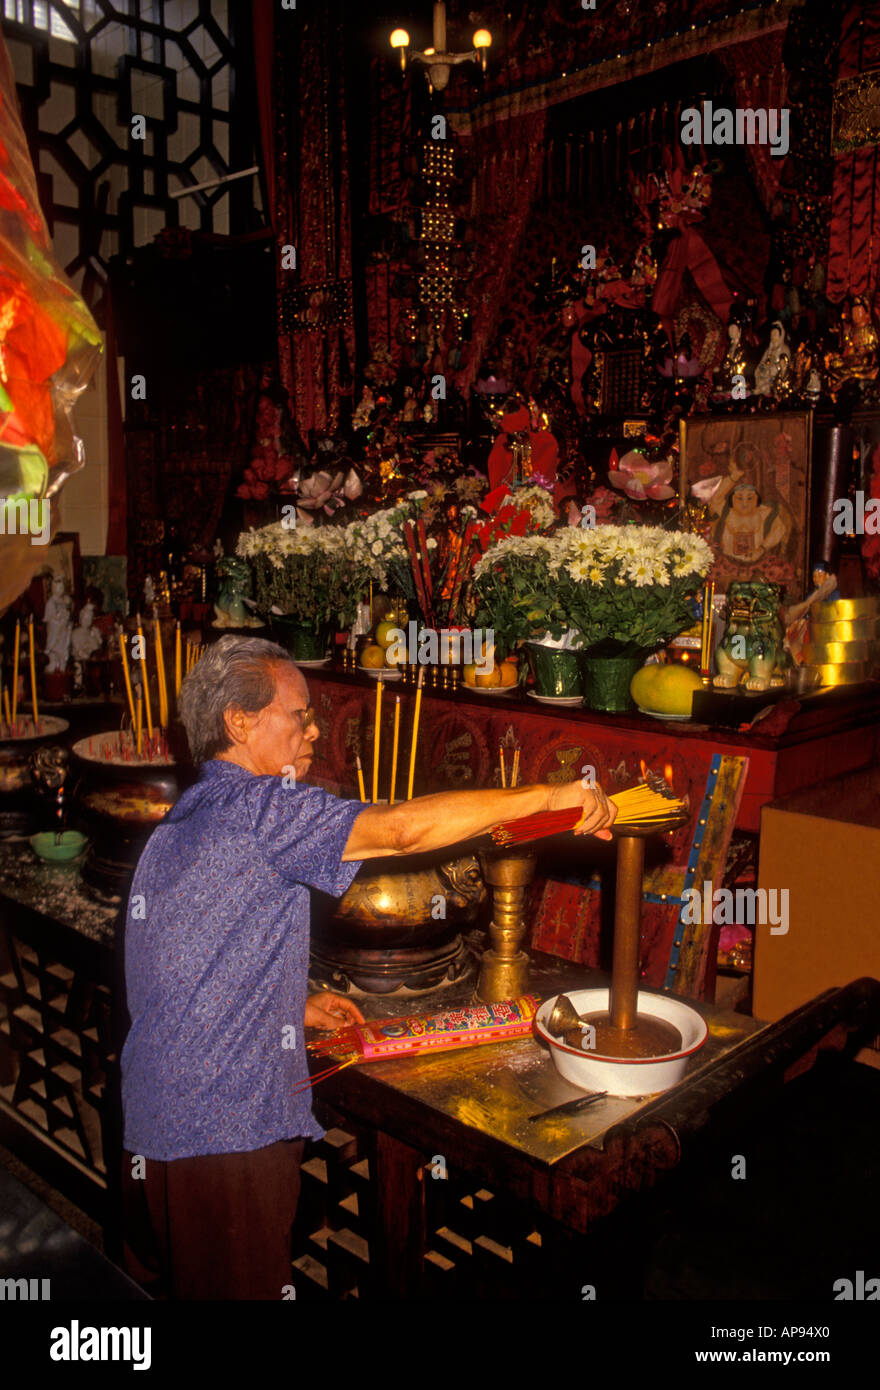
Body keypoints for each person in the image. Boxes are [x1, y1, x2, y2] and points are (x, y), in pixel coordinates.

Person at [120, 635, 616, 1299]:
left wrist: (287, 1005)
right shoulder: (263, 808)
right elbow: (403, 830)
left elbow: (174, 952)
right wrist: (547, 799)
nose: (314, 729)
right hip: (223, 1128)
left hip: (156, 1118)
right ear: (238, 721)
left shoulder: (191, 813)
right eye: (298, 714)